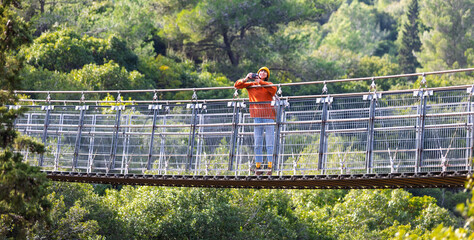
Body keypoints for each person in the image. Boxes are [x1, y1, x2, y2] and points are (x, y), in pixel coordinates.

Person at [234, 67, 277, 175]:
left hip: (268, 116)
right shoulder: (251, 85)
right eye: (260, 71)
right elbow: (237, 85)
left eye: (265, 72)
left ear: (267, 76)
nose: (262, 73)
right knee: (257, 143)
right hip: (257, 116)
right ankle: (258, 167)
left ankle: (270, 167)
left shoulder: (268, 85)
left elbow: (273, 90)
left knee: (269, 143)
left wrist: (260, 82)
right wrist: (246, 78)